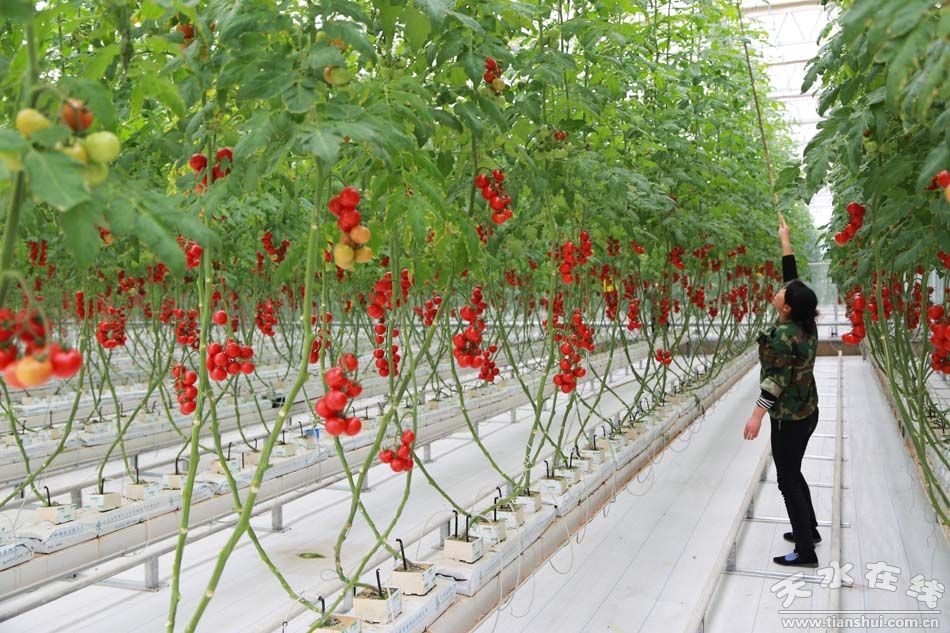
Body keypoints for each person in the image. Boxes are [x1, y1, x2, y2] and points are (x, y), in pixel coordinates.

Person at [743, 213, 820, 568]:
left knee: (787, 480)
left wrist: (757, 415)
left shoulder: (782, 337)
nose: (778, 290)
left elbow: (774, 381)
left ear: (786, 307)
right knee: (795, 471)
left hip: (788, 419)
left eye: (781, 293)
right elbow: (794, 282)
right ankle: (810, 530)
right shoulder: (806, 324)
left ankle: (805, 551)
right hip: (808, 412)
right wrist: (785, 242)